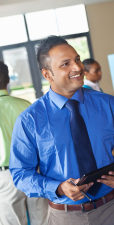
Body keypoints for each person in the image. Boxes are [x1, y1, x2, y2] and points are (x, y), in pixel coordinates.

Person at [10, 36, 114, 225]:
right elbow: (21, 173)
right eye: (65, 64)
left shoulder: (108, 103)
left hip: (112, 209)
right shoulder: (29, 121)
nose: (77, 68)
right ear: (47, 74)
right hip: (65, 216)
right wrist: (59, 188)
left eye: (77, 59)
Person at [0, 61, 48, 225]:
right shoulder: (26, 106)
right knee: (42, 220)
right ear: (8, 80)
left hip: (5, 176)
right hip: (34, 171)